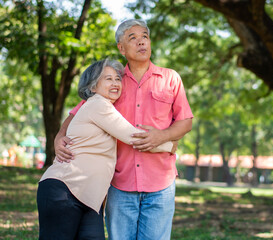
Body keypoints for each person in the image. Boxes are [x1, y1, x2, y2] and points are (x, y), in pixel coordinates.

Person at [55, 19, 193, 240]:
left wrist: (163, 136)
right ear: (121, 47)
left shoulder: (170, 78)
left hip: (161, 183)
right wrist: (59, 137)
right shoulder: (112, 82)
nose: (141, 42)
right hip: (120, 183)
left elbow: (186, 121)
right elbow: (76, 113)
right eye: (133, 38)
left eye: (144, 37)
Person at [37, 59, 175, 240]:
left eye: (118, 79)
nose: (115, 83)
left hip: (90, 200)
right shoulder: (98, 104)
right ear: (93, 87)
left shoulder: (104, 107)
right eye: (108, 79)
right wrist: (170, 144)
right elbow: (132, 136)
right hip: (65, 190)